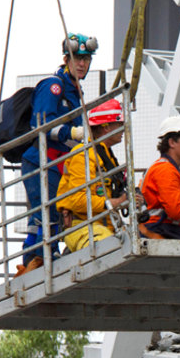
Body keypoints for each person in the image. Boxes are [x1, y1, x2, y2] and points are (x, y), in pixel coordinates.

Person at [18, 32, 99, 273]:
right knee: (43, 214)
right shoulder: (54, 86)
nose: (82, 63)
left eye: (86, 59)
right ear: (66, 59)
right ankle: (33, 261)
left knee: (57, 211)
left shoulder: (75, 91)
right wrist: (70, 133)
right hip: (41, 161)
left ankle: (47, 254)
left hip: (60, 163)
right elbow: (40, 124)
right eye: (77, 58)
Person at [55, 98, 127, 252]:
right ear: (106, 127)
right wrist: (116, 202)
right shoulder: (84, 154)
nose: (122, 129)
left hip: (104, 226)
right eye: (119, 124)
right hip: (81, 226)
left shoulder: (105, 155)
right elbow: (78, 200)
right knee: (109, 248)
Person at [139, 115, 180, 239]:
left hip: (164, 230)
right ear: (171, 142)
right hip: (162, 231)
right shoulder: (165, 170)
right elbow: (177, 211)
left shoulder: (167, 169)